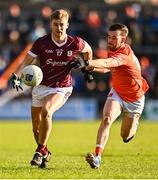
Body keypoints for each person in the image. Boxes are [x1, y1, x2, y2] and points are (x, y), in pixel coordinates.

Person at [12, 9, 93, 168]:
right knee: (36, 128)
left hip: (61, 88)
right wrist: (17, 76)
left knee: (47, 111)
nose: (59, 28)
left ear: (67, 25)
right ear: (51, 24)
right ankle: (45, 151)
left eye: (62, 25)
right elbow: (26, 61)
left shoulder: (75, 42)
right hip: (40, 86)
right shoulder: (41, 42)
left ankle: (39, 151)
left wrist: (85, 66)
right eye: (56, 24)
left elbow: (88, 51)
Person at [72, 23, 149, 169]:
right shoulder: (113, 49)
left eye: (114, 38)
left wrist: (87, 62)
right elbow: (108, 68)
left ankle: (134, 123)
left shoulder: (124, 54)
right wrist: (90, 67)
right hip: (118, 92)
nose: (110, 40)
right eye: (109, 37)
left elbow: (108, 62)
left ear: (123, 38)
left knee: (125, 136)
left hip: (135, 99)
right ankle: (98, 157)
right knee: (107, 119)